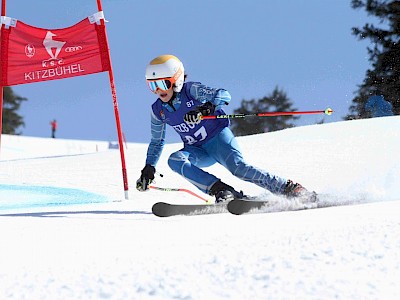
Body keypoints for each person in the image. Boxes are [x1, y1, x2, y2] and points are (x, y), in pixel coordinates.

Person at [136, 54, 316, 203]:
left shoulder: (191, 91)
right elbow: (157, 141)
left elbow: (223, 94)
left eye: (163, 84)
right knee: (175, 160)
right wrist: (149, 167)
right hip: (197, 151)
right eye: (152, 85)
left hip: (218, 140)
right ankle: (222, 190)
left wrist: (207, 107)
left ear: (177, 81)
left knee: (238, 168)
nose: (158, 90)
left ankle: (288, 187)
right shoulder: (158, 110)